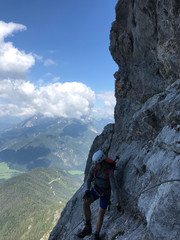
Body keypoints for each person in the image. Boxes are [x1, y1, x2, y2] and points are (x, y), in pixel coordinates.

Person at [77, 150, 123, 240]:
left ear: (102, 163)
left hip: (105, 193)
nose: (95, 165)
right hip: (96, 189)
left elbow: (114, 188)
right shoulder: (93, 169)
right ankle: (88, 227)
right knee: (85, 202)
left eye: (97, 164)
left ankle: (96, 235)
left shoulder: (109, 172)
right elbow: (89, 179)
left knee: (100, 214)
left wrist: (117, 202)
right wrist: (87, 190)